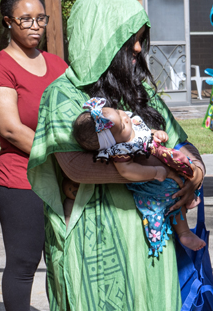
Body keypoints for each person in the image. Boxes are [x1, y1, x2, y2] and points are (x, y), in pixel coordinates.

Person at [27, 0, 207, 311]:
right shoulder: (63, 96)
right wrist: (144, 169)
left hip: (147, 239)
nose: (138, 50)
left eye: (141, 40)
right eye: (130, 40)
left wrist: (188, 167)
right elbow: (72, 163)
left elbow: (180, 140)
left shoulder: (141, 94)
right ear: (100, 38)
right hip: (91, 240)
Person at [0, 0, 69, 311]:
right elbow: (13, 130)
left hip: (64, 177)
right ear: (8, 23)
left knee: (64, 258)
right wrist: (60, 154)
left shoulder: (58, 66)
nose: (35, 27)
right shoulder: (0, 68)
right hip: (22, 178)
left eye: (41, 19)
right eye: (26, 20)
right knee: (23, 261)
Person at [71, 99, 204, 256]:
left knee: (181, 181)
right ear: (111, 142)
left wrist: (156, 134)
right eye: (123, 124)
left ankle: (189, 199)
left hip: (167, 165)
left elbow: (145, 132)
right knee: (173, 199)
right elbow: (127, 171)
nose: (125, 118)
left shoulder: (129, 124)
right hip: (154, 184)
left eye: (119, 113)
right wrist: (155, 172)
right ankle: (184, 232)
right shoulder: (120, 150)